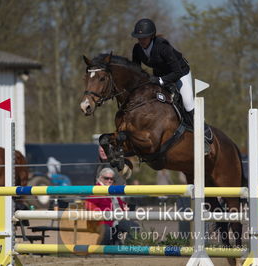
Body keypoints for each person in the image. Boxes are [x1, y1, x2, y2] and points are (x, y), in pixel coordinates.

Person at [131, 18, 212, 153]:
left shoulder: (162, 47)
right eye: (139, 38)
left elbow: (177, 72)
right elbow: (136, 71)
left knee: (187, 103)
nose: (141, 41)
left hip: (180, 73)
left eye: (144, 38)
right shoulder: (137, 49)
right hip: (159, 74)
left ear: (151, 36)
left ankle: (204, 134)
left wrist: (161, 81)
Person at [85, 168, 138, 245]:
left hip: (116, 220)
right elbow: (88, 205)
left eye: (111, 179)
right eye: (106, 178)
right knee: (107, 230)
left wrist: (125, 207)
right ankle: (101, 251)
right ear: (100, 178)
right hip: (101, 222)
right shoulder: (97, 190)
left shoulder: (112, 190)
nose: (109, 181)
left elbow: (120, 204)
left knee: (134, 227)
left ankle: (129, 248)